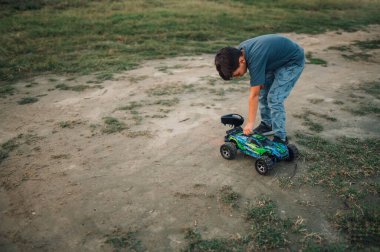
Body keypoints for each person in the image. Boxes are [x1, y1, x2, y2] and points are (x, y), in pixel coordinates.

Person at [215, 34, 305, 145]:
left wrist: (250, 123)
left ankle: (280, 137)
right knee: (263, 92)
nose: (238, 77)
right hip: (273, 61)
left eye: (237, 74)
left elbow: (254, 95)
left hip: (292, 61)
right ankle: (267, 124)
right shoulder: (237, 53)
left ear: (242, 61)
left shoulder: (254, 58)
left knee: (274, 98)